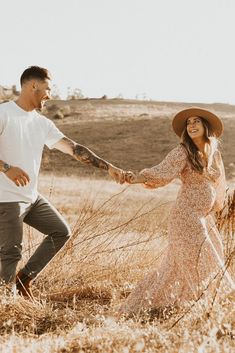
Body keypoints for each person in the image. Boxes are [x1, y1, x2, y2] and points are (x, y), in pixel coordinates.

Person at [0, 66, 125, 298]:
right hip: (6, 198)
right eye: (47, 89)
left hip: (31, 196)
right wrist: (7, 168)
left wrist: (109, 168)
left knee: (61, 232)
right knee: (10, 253)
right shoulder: (4, 113)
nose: (49, 95)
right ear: (33, 86)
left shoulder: (42, 123)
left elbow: (74, 149)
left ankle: (24, 279)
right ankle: (6, 301)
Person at [120, 107, 234, 317]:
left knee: (181, 266)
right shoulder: (182, 151)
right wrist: (135, 177)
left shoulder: (213, 154)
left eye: (195, 122)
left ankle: (185, 307)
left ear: (205, 127)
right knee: (205, 261)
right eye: (188, 123)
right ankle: (192, 307)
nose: (191, 125)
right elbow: (162, 172)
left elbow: (219, 186)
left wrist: (218, 209)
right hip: (185, 216)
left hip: (203, 218)